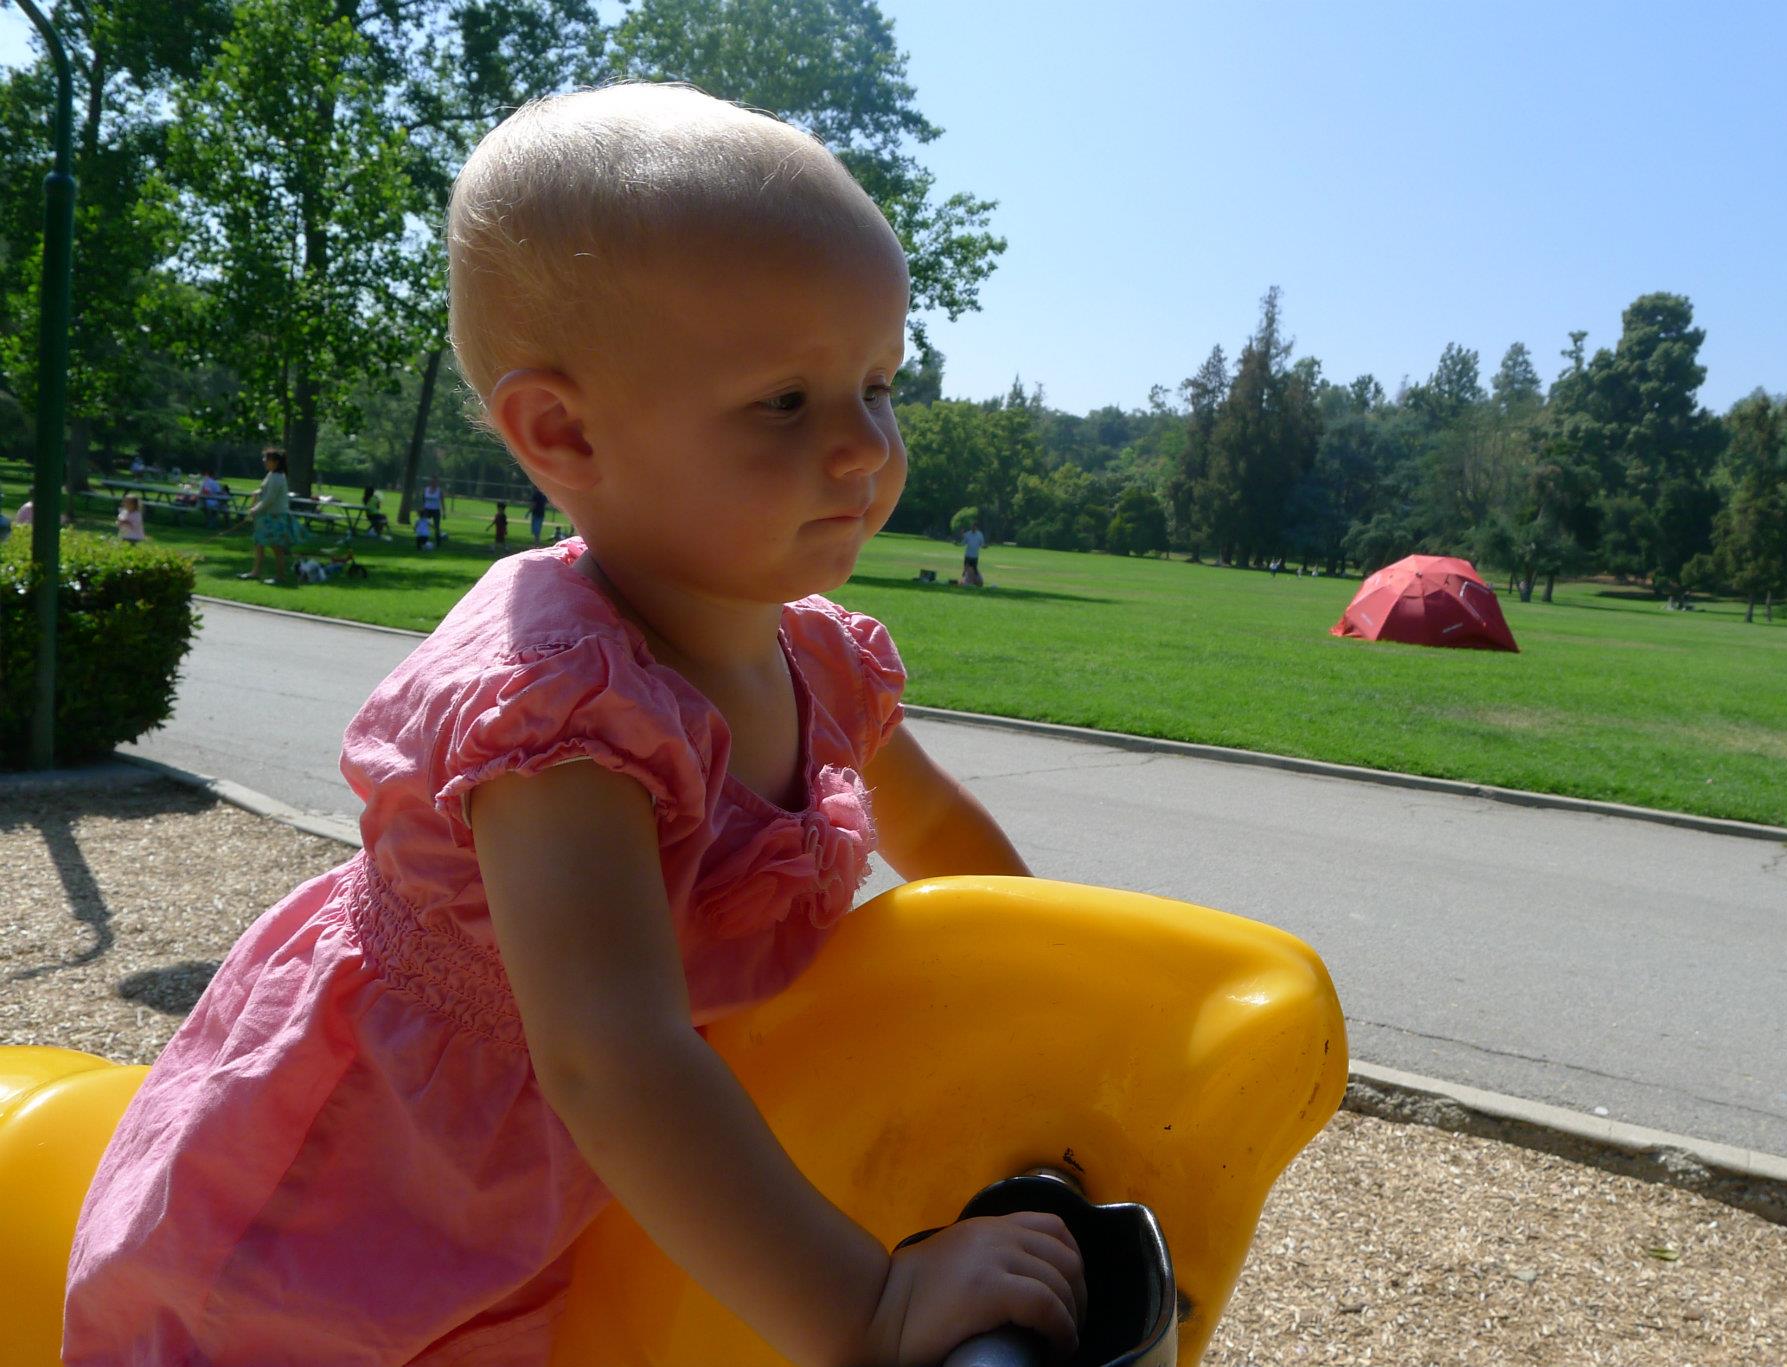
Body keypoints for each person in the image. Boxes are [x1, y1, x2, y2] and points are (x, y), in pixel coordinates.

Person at [63, 83, 1076, 1367]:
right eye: (785, 401)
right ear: (562, 430)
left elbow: (946, 841)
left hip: (634, 1164)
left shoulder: (815, 653)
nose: (862, 448)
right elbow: (610, 1058)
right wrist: (868, 1307)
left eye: (878, 384)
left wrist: (1057, 1014)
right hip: (382, 1200)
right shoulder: (561, 716)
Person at [237, 447, 293, 584]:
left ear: (275, 462)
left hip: (275, 516)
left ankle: (280, 576)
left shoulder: (277, 477)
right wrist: (258, 492)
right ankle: (255, 572)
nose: (264, 461)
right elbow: (265, 490)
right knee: (259, 544)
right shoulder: (271, 474)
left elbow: (269, 499)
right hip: (266, 515)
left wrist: (254, 510)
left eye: (266, 459)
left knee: (276, 547)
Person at [961, 520, 985, 587]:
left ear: (977, 527)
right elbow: (963, 543)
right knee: (965, 570)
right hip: (968, 555)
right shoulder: (968, 534)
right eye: (972, 527)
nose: (973, 528)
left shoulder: (980, 535)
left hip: (975, 556)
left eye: (974, 527)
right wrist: (958, 544)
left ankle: (976, 582)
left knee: (975, 570)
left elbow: (982, 544)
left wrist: (985, 547)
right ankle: (965, 581)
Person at [422, 476, 445, 544]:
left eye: (435, 481)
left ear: (437, 482)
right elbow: (423, 500)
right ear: (430, 482)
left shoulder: (439, 491)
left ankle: (438, 541)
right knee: (424, 524)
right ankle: (424, 540)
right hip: (427, 510)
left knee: (436, 526)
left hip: (436, 510)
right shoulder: (426, 489)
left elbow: (442, 502)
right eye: (432, 481)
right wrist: (421, 509)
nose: (434, 483)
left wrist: (444, 513)